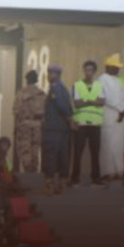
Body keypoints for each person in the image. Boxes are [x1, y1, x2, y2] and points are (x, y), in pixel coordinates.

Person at [71, 59, 105, 187]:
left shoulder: (99, 85)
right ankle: (75, 178)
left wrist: (86, 100)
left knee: (95, 153)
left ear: (94, 71)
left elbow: (102, 101)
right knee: (77, 152)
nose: (88, 72)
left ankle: (96, 178)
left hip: (95, 124)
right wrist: (93, 100)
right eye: (86, 70)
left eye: (90, 70)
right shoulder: (77, 85)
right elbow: (77, 103)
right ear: (84, 71)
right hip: (81, 123)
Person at [42, 64, 73, 195]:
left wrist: (70, 118)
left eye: (53, 73)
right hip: (61, 128)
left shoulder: (56, 89)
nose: (50, 76)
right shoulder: (61, 88)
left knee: (51, 155)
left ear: (58, 75)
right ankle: (62, 183)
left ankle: (50, 184)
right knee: (62, 155)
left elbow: (62, 106)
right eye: (49, 73)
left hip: (54, 128)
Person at [99, 53, 124, 180]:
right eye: (116, 67)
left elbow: (122, 97)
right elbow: (108, 98)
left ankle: (119, 170)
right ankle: (107, 171)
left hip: (119, 116)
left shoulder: (117, 80)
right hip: (109, 114)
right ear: (109, 67)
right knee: (107, 145)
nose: (118, 70)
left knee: (118, 144)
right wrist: (121, 109)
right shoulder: (102, 79)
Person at [13, 69, 45, 174]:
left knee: (25, 147)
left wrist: (16, 127)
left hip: (25, 124)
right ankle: (34, 170)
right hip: (37, 125)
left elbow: (16, 111)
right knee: (35, 148)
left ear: (27, 80)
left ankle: (28, 171)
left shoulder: (21, 94)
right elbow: (45, 111)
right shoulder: (41, 94)